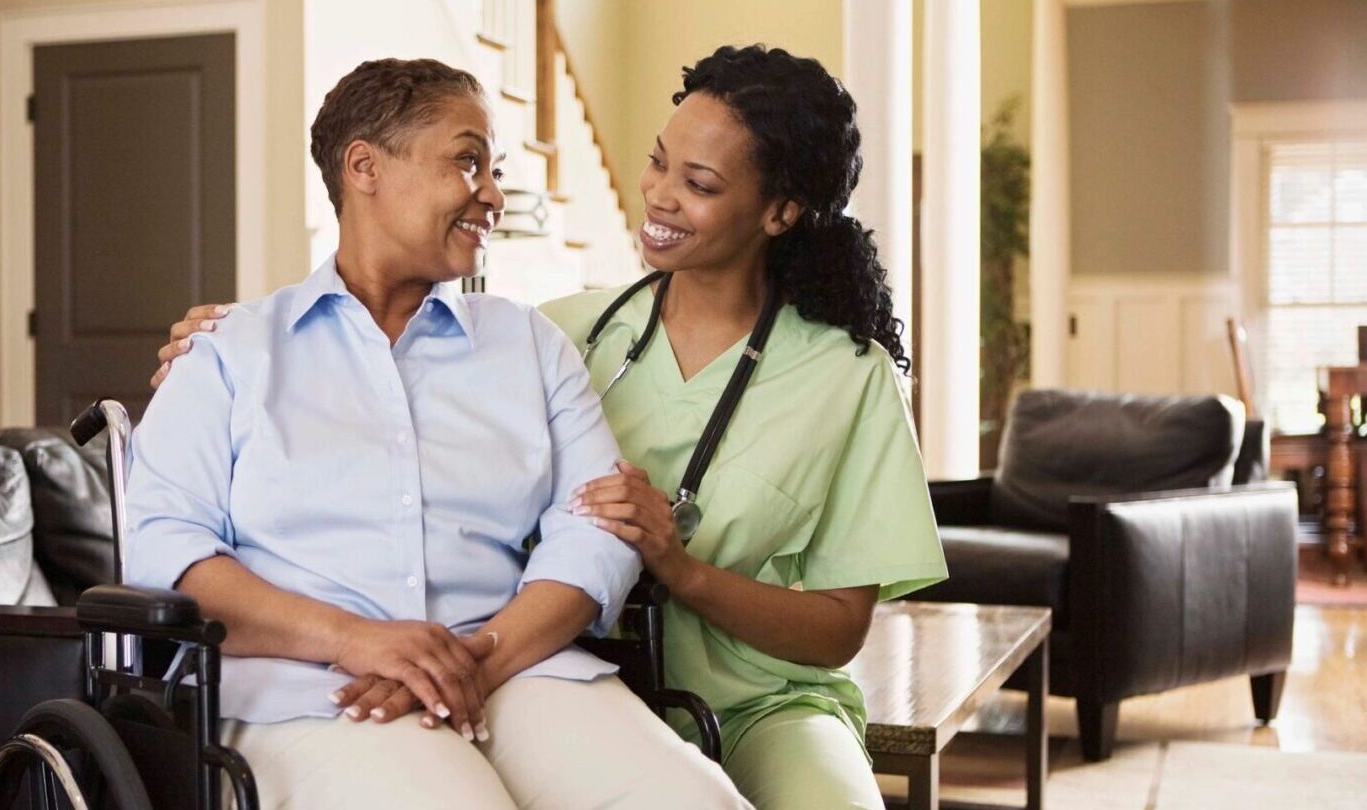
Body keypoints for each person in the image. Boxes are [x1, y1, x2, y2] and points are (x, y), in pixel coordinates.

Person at [157, 46, 947, 809]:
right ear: (363, 169)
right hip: (324, 688)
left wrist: (471, 653)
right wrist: (365, 641)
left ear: (780, 212)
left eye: (697, 181)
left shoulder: (531, 343)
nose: (496, 197)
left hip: (587, 678)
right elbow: (168, 546)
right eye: (471, 164)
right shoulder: (236, 352)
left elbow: (595, 532)